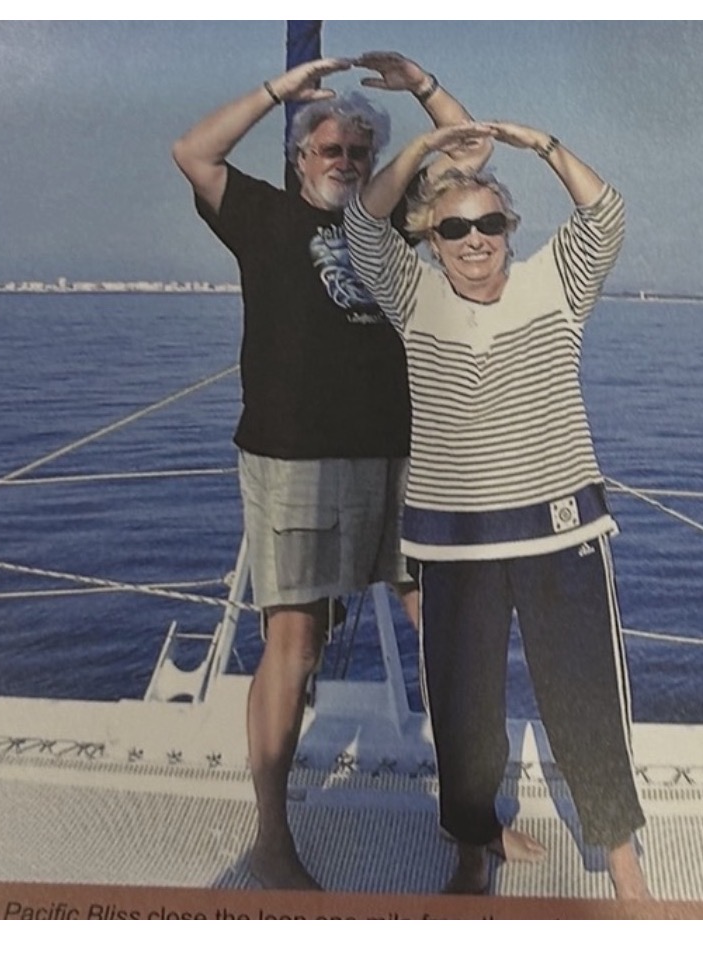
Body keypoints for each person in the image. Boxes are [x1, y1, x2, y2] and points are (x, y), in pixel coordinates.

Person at [171, 52, 489, 891]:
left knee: (443, 629)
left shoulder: (392, 222)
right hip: (294, 459)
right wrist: (279, 90)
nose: (343, 161)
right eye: (328, 149)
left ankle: (471, 830)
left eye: (357, 150)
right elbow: (192, 152)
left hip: (400, 455)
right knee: (296, 640)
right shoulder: (264, 217)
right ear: (300, 156)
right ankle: (272, 839)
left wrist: (423, 86)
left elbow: (471, 151)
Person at [344, 120, 651, 899]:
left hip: (560, 529)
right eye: (454, 228)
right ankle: (473, 846)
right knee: (463, 710)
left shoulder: (556, 284)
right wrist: (423, 147)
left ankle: (622, 862)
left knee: (585, 699)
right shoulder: (413, 296)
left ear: (509, 228)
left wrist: (541, 145)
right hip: (453, 541)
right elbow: (362, 223)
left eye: (488, 223)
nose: (473, 239)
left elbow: (606, 213)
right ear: (432, 239)